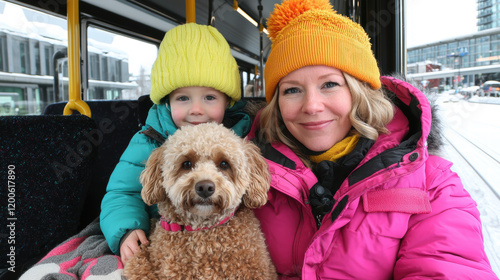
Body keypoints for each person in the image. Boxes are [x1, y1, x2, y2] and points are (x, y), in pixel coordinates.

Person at [248, 0, 499, 278]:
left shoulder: (433, 184)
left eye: (329, 84)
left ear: (360, 92)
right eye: (292, 90)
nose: (312, 106)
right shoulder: (243, 177)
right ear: (277, 104)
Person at [100, 23, 252, 263]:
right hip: (164, 237)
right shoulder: (149, 140)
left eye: (210, 97)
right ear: (167, 102)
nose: (196, 110)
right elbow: (123, 192)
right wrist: (127, 229)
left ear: (227, 102)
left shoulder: (242, 140)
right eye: (183, 98)